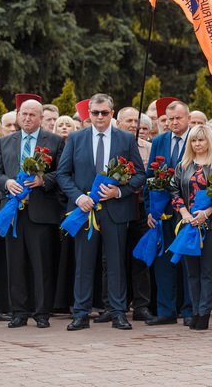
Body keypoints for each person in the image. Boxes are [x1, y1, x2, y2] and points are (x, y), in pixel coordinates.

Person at [56, 94, 146, 331]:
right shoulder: (76, 138)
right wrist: (79, 197)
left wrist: (118, 191)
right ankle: (81, 313)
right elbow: (62, 174)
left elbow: (139, 174)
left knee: (116, 263)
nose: (99, 117)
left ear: (112, 113)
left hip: (115, 210)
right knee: (83, 263)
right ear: (89, 113)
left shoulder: (126, 139)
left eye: (104, 113)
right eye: (95, 113)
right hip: (84, 210)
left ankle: (118, 313)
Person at [0, 99, 65, 328]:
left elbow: (62, 173)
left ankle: (42, 312)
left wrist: (43, 180)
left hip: (41, 212)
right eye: (23, 114)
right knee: (15, 263)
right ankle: (19, 311)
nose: (27, 118)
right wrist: (6, 183)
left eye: (32, 115)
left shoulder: (55, 142)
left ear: (40, 117)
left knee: (42, 263)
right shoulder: (5, 142)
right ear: (17, 115)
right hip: (12, 211)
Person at [169, 125, 212, 330]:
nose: (197, 144)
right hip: (188, 224)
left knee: (207, 270)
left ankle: (204, 313)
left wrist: (206, 213)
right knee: (192, 271)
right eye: (194, 140)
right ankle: (195, 310)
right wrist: (185, 213)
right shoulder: (183, 164)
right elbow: (174, 190)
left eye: (201, 140)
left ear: (209, 141)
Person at [144, 100, 193, 326]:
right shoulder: (159, 141)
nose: (173, 122)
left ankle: (189, 310)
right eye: (169, 119)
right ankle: (166, 310)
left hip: (190, 212)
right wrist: (149, 210)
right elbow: (150, 176)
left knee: (187, 261)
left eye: (178, 118)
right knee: (164, 263)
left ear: (188, 118)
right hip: (163, 212)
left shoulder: (197, 139)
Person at [113, 107, 153, 322]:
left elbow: (152, 176)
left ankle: (141, 305)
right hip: (115, 207)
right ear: (118, 123)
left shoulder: (149, 147)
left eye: (135, 122)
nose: (132, 125)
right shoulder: (112, 144)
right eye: (128, 121)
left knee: (140, 259)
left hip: (140, 210)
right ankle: (112, 305)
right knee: (113, 258)